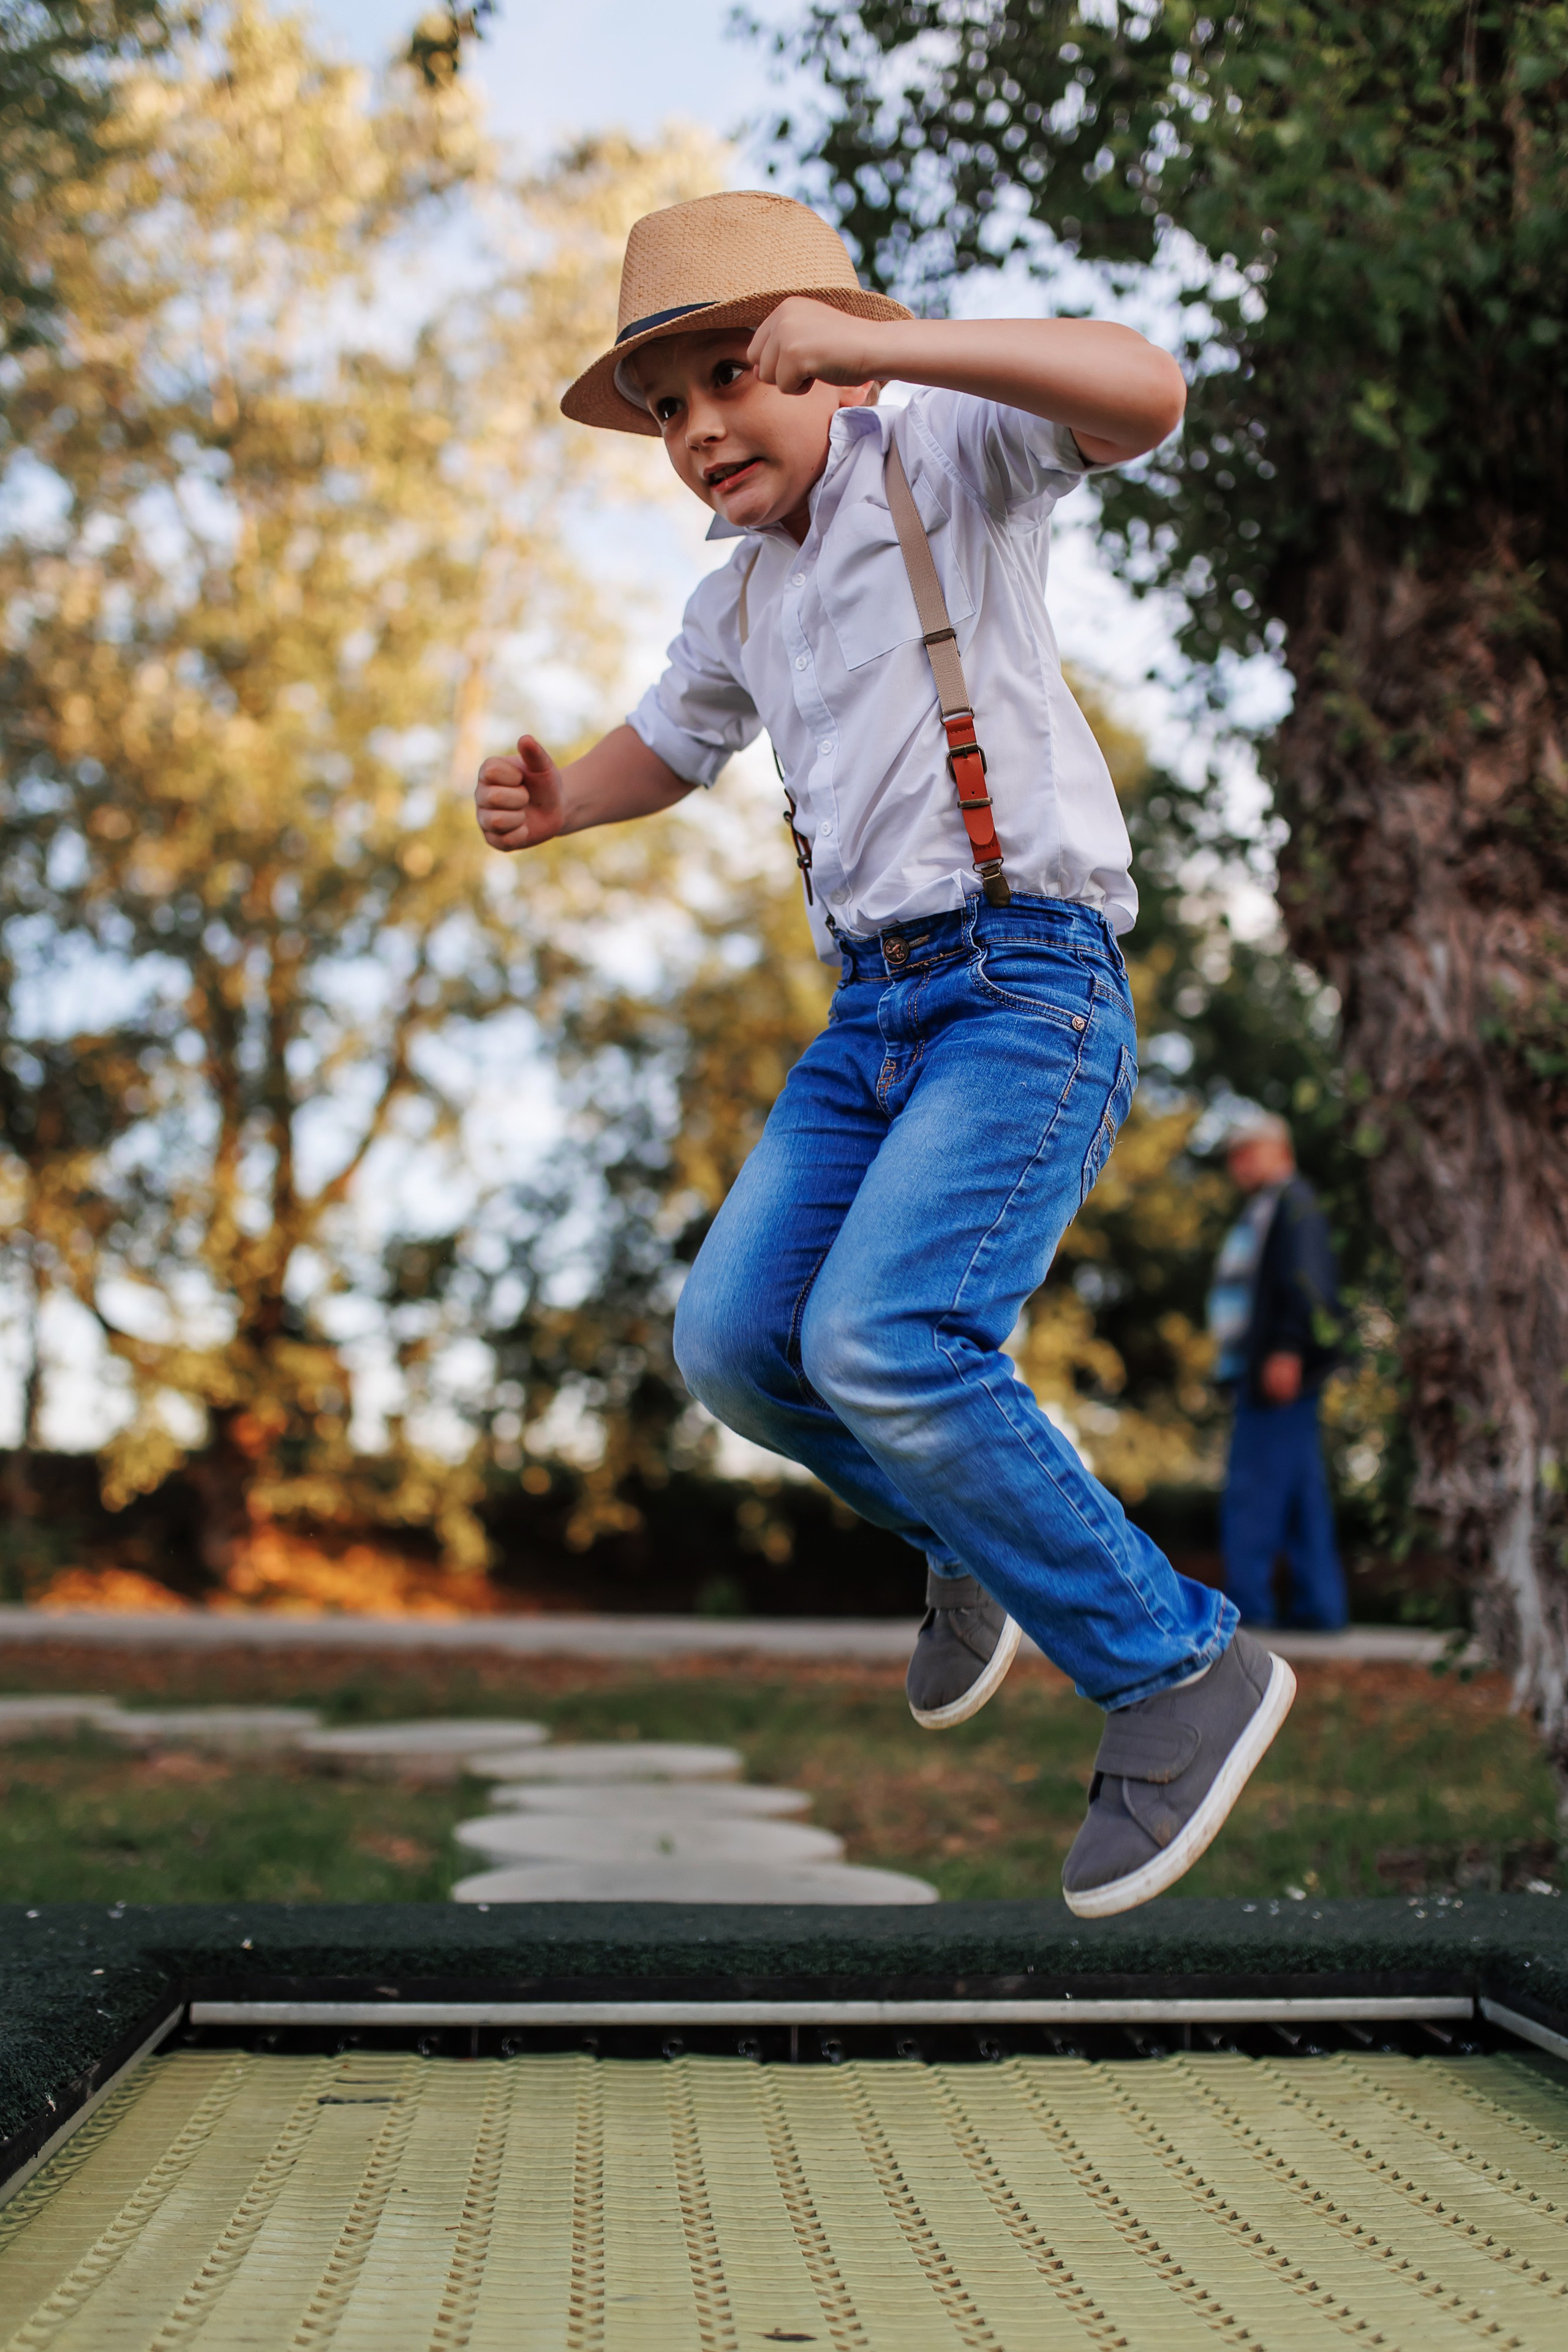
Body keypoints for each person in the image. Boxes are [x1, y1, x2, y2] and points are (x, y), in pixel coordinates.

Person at [474, 190, 1295, 1917]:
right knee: (735, 1346)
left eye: (734, 375)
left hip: (1026, 987)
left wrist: (885, 349)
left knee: (883, 1332)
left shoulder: (940, 453)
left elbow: (1142, 388)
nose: (702, 426)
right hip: (875, 1024)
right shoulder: (740, 601)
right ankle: (966, 1532)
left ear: (824, 361)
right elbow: (668, 743)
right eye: (669, 405)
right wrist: (565, 806)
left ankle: (1176, 1672)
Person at [1208, 1113, 1348, 1630]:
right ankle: (1321, 1608)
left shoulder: (1293, 1205)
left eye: (1245, 1153)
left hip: (1276, 1367)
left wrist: (1288, 1348)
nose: (1235, 1166)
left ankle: (1250, 1607)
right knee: (1301, 1493)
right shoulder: (1269, 1208)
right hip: (1267, 1366)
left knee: (1255, 1488)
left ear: (1275, 1150)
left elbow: (1309, 1282)